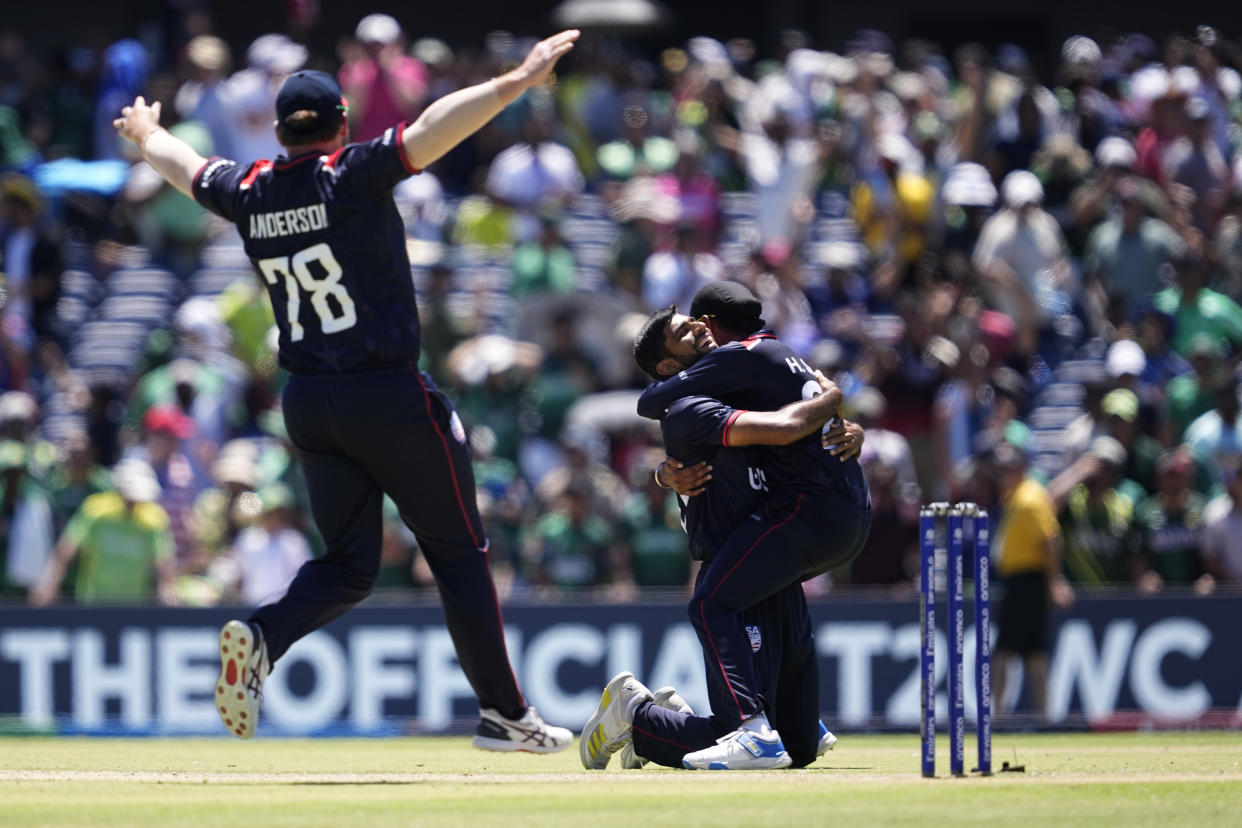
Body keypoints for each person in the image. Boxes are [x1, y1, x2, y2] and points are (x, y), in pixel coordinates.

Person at [111, 29, 582, 750]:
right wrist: (515, 81)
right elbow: (431, 130)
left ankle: (264, 634)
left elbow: (188, 168)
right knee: (458, 555)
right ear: (341, 123)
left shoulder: (254, 190)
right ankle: (505, 714)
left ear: (277, 131)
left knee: (349, 565)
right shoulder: (351, 173)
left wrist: (146, 132)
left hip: (307, 402)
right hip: (386, 394)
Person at [582, 325, 857, 771]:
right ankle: (636, 717)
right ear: (670, 367)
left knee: (797, 749)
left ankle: (660, 718)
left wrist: (849, 429)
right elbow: (787, 427)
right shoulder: (689, 406)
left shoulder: (731, 389)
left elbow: (795, 434)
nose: (700, 328)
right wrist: (831, 399)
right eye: (684, 333)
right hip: (737, 560)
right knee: (748, 734)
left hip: (767, 553)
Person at [989, 443, 1067, 722]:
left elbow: (1051, 541)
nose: (1001, 476)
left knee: (1007, 652)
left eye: (1007, 470)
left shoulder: (1029, 498)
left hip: (1028, 581)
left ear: (1020, 469)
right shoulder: (1017, 497)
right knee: (1032, 653)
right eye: (999, 471)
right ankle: (1042, 715)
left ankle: (997, 717)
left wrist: (1054, 582)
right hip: (1020, 581)